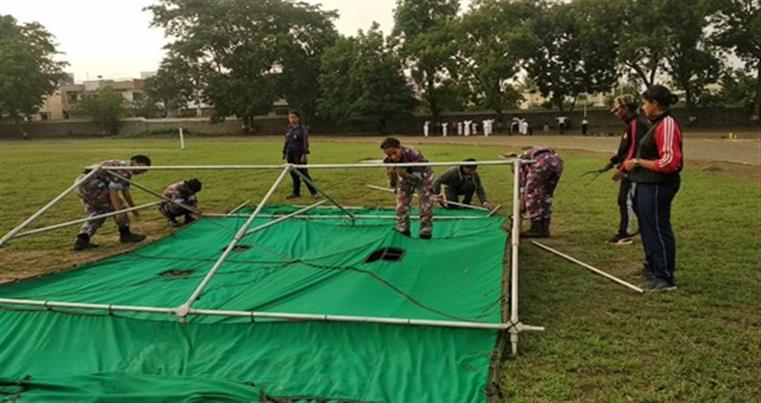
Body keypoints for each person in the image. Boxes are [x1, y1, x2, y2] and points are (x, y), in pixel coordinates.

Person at [623, 85, 683, 291]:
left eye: (645, 103)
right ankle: (652, 267)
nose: (643, 107)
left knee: (658, 227)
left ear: (655, 104)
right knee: (647, 228)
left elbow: (670, 162)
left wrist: (638, 162)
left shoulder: (666, 125)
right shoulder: (654, 124)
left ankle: (665, 277)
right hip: (646, 183)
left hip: (658, 185)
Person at [72, 155, 151, 251]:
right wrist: (118, 211)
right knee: (120, 206)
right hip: (92, 184)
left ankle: (82, 239)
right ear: (134, 162)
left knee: (98, 212)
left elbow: (125, 191)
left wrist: (133, 209)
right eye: (142, 168)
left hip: (80, 183)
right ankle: (125, 234)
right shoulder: (124, 170)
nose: (142, 172)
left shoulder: (123, 168)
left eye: (145, 171)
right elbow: (112, 190)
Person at [606, 95, 650, 245]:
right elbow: (627, 148)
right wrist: (614, 161)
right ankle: (645, 229)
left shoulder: (637, 124)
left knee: (625, 200)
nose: (616, 113)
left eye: (618, 110)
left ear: (626, 109)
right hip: (631, 169)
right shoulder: (632, 124)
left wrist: (623, 169)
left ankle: (625, 233)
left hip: (634, 171)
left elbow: (635, 149)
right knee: (633, 200)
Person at [380, 137, 434, 239]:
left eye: (394, 153)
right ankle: (404, 231)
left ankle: (425, 233)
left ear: (400, 147)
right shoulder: (388, 161)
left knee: (425, 206)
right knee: (401, 206)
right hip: (404, 178)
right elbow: (393, 184)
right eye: (389, 155)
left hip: (423, 176)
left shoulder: (414, 154)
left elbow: (419, 179)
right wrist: (392, 175)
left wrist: (405, 175)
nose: (392, 157)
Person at [516, 147, 563, 237]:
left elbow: (525, 188)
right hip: (557, 161)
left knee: (532, 195)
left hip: (542, 162)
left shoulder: (520, 165)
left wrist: (524, 203)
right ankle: (545, 229)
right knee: (546, 194)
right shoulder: (531, 154)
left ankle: (536, 228)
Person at [282, 111, 318, 199]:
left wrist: (304, 154)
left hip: (299, 154)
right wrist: (284, 153)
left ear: (298, 118)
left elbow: (305, 142)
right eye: (290, 118)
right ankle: (296, 193)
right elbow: (287, 141)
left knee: (304, 174)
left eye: (294, 117)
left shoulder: (302, 129)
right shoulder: (289, 128)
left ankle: (314, 193)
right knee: (294, 174)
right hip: (290, 153)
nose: (292, 119)